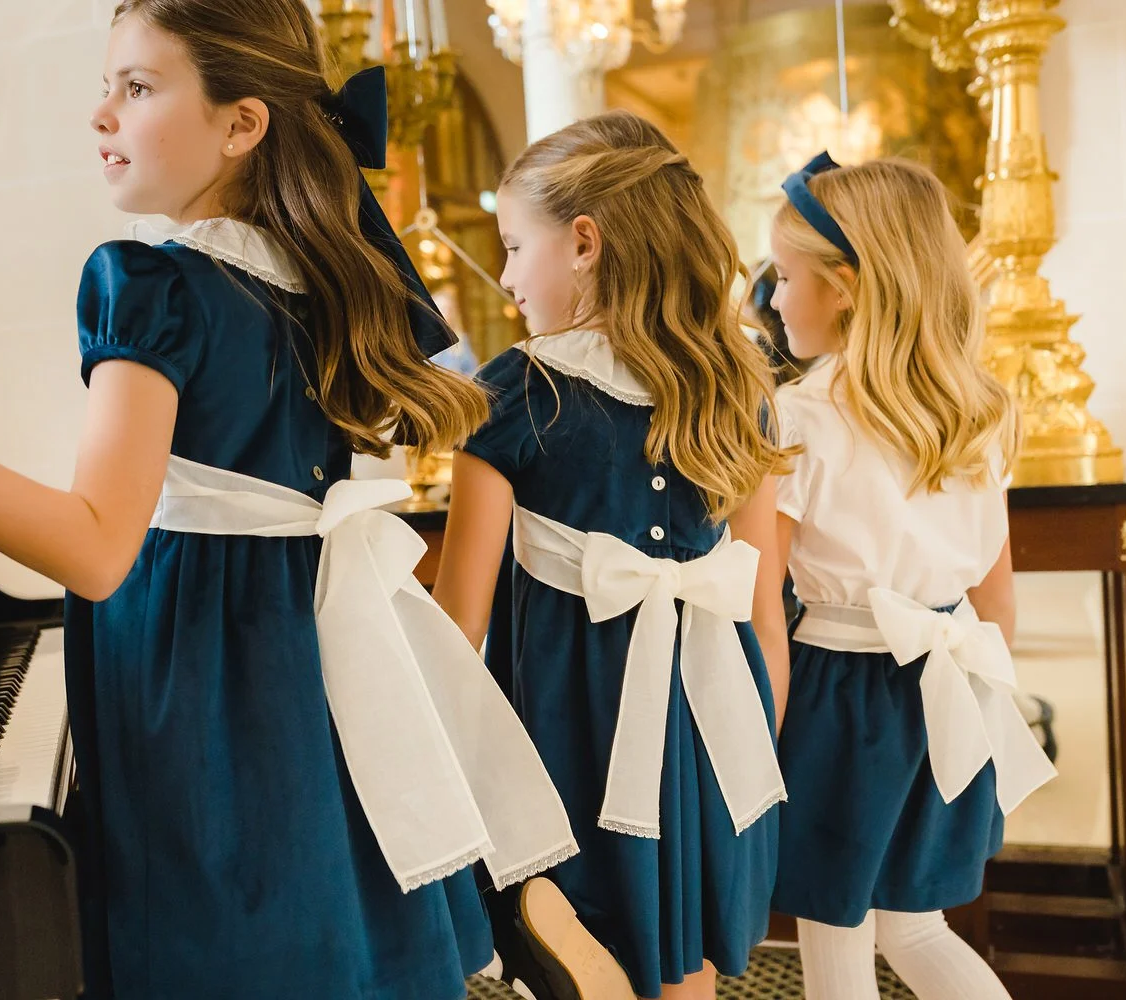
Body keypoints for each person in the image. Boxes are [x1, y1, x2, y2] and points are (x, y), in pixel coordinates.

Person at [0, 2, 577, 996]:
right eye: (106, 84)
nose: (101, 114)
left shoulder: (150, 285)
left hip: (202, 693)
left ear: (242, 124)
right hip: (294, 674)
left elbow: (93, 548)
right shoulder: (321, 284)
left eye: (138, 86)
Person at [432, 111, 792, 1000]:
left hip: (565, 738)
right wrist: (759, 740)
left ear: (584, 242)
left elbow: (457, 625)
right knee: (684, 968)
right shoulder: (737, 383)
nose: (508, 277)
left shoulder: (514, 392)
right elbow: (763, 599)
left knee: (574, 951)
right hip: (717, 728)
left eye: (515, 247)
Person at [766, 152, 1057, 999]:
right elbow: (996, 600)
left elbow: (763, 606)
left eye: (785, 277)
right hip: (947, 689)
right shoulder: (981, 411)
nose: (774, 298)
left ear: (847, 285)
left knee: (835, 928)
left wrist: (760, 731)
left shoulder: (800, 418)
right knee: (917, 929)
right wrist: (971, 704)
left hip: (835, 696)